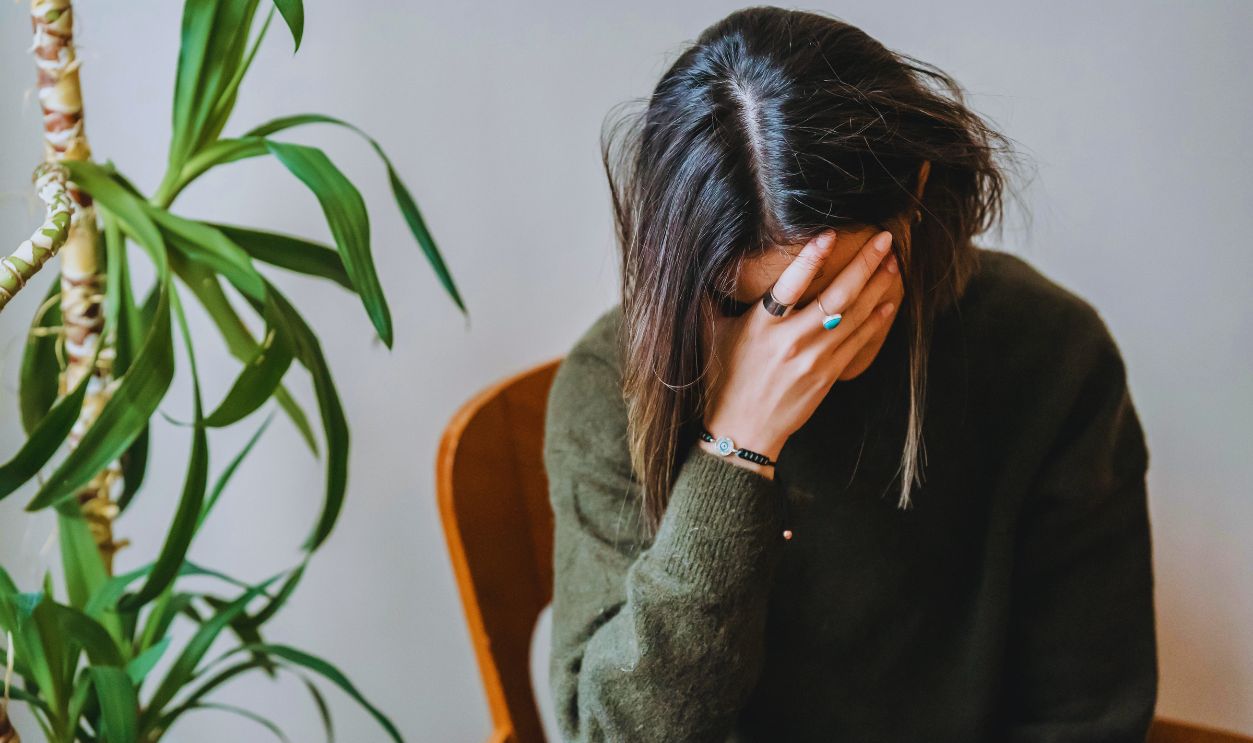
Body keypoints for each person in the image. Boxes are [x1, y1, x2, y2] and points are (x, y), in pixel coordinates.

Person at [544, 7, 1156, 742]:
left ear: (916, 191)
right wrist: (736, 451)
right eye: (744, 303)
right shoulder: (609, 387)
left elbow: (1088, 717)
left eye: (833, 288)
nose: (793, 341)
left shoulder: (1049, 353)